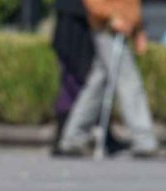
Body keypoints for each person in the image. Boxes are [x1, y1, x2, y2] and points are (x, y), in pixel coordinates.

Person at [58, 0, 166, 159]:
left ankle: (73, 138)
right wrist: (111, 17)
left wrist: (138, 29)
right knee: (129, 83)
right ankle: (145, 142)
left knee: (97, 84)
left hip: (115, 29)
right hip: (108, 29)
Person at [52, 0, 128, 156]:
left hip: (81, 18)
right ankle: (67, 135)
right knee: (78, 79)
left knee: (88, 79)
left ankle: (74, 135)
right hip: (78, 20)